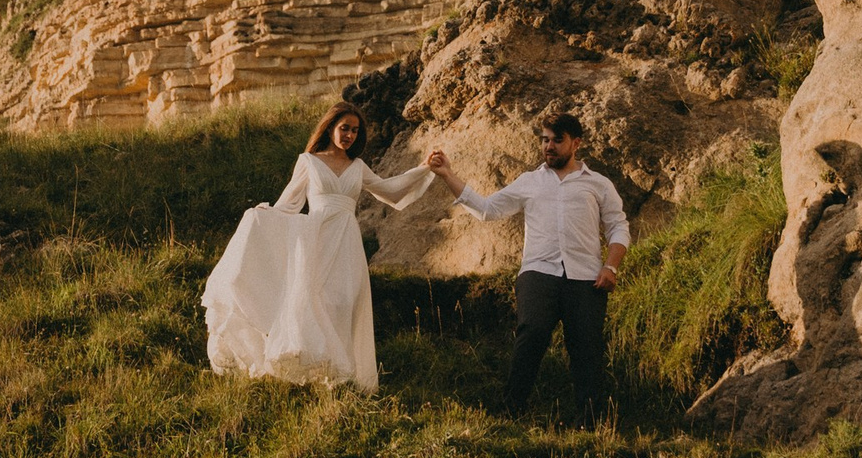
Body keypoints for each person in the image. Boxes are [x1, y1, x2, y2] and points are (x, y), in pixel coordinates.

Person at [201, 104, 430, 394]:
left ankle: (342, 375)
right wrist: (261, 216)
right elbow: (288, 205)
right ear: (331, 127)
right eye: (344, 127)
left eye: (355, 130)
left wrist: (424, 169)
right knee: (317, 300)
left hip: (347, 240)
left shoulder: (358, 166)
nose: (349, 134)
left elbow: (391, 190)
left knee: (345, 302)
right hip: (316, 238)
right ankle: (318, 373)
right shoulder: (308, 161)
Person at [425, 113, 630, 425]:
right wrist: (447, 175)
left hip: (586, 277)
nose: (548, 146)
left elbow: (618, 227)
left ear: (576, 144)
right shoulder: (529, 182)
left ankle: (590, 422)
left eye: (556, 140)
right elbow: (487, 210)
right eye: (545, 139)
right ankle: (511, 411)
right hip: (538, 273)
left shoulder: (598, 185)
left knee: (586, 347)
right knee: (531, 334)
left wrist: (611, 267)